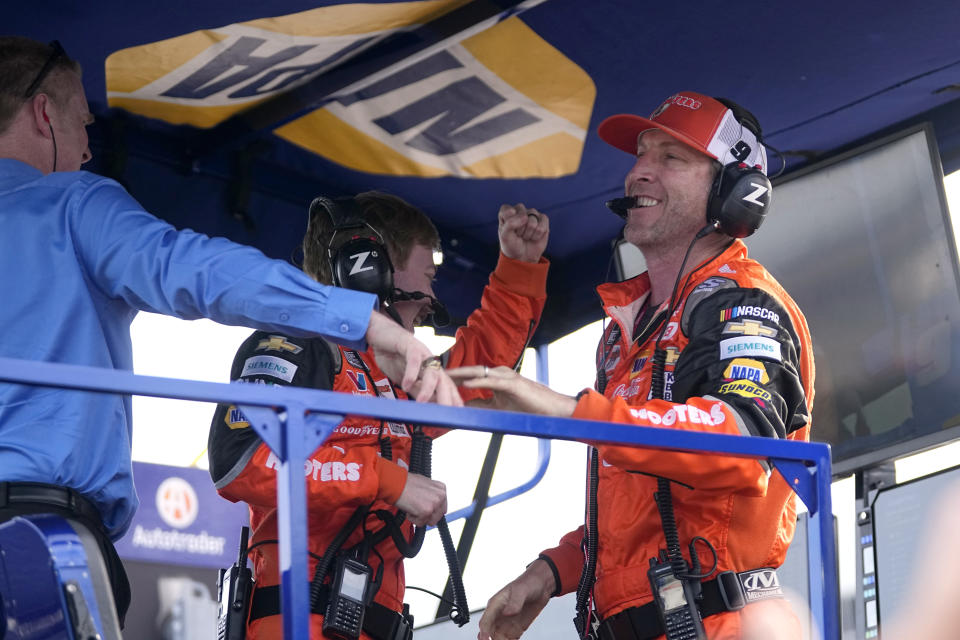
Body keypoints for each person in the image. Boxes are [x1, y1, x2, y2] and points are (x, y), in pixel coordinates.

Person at [0, 36, 461, 628]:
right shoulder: (71, 204)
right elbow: (196, 271)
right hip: (41, 538)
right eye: (83, 122)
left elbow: (472, 382)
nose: (89, 148)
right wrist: (361, 320)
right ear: (44, 113)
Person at [450, 91, 816, 640]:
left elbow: (740, 443)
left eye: (671, 158)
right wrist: (552, 572)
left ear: (735, 194)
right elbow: (640, 510)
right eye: (641, 155)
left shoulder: (744, 303)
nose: (638, 173)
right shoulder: (628, 330)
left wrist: (572, 411)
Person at [207, 191, 550, 639]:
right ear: (370, 268)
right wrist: (390, 480)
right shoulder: (300, 345)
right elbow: (240, 462)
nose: (431, 295)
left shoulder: (394, 377)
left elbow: (480, 371)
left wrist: (517, 270)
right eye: (428, 274)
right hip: (297, 617)